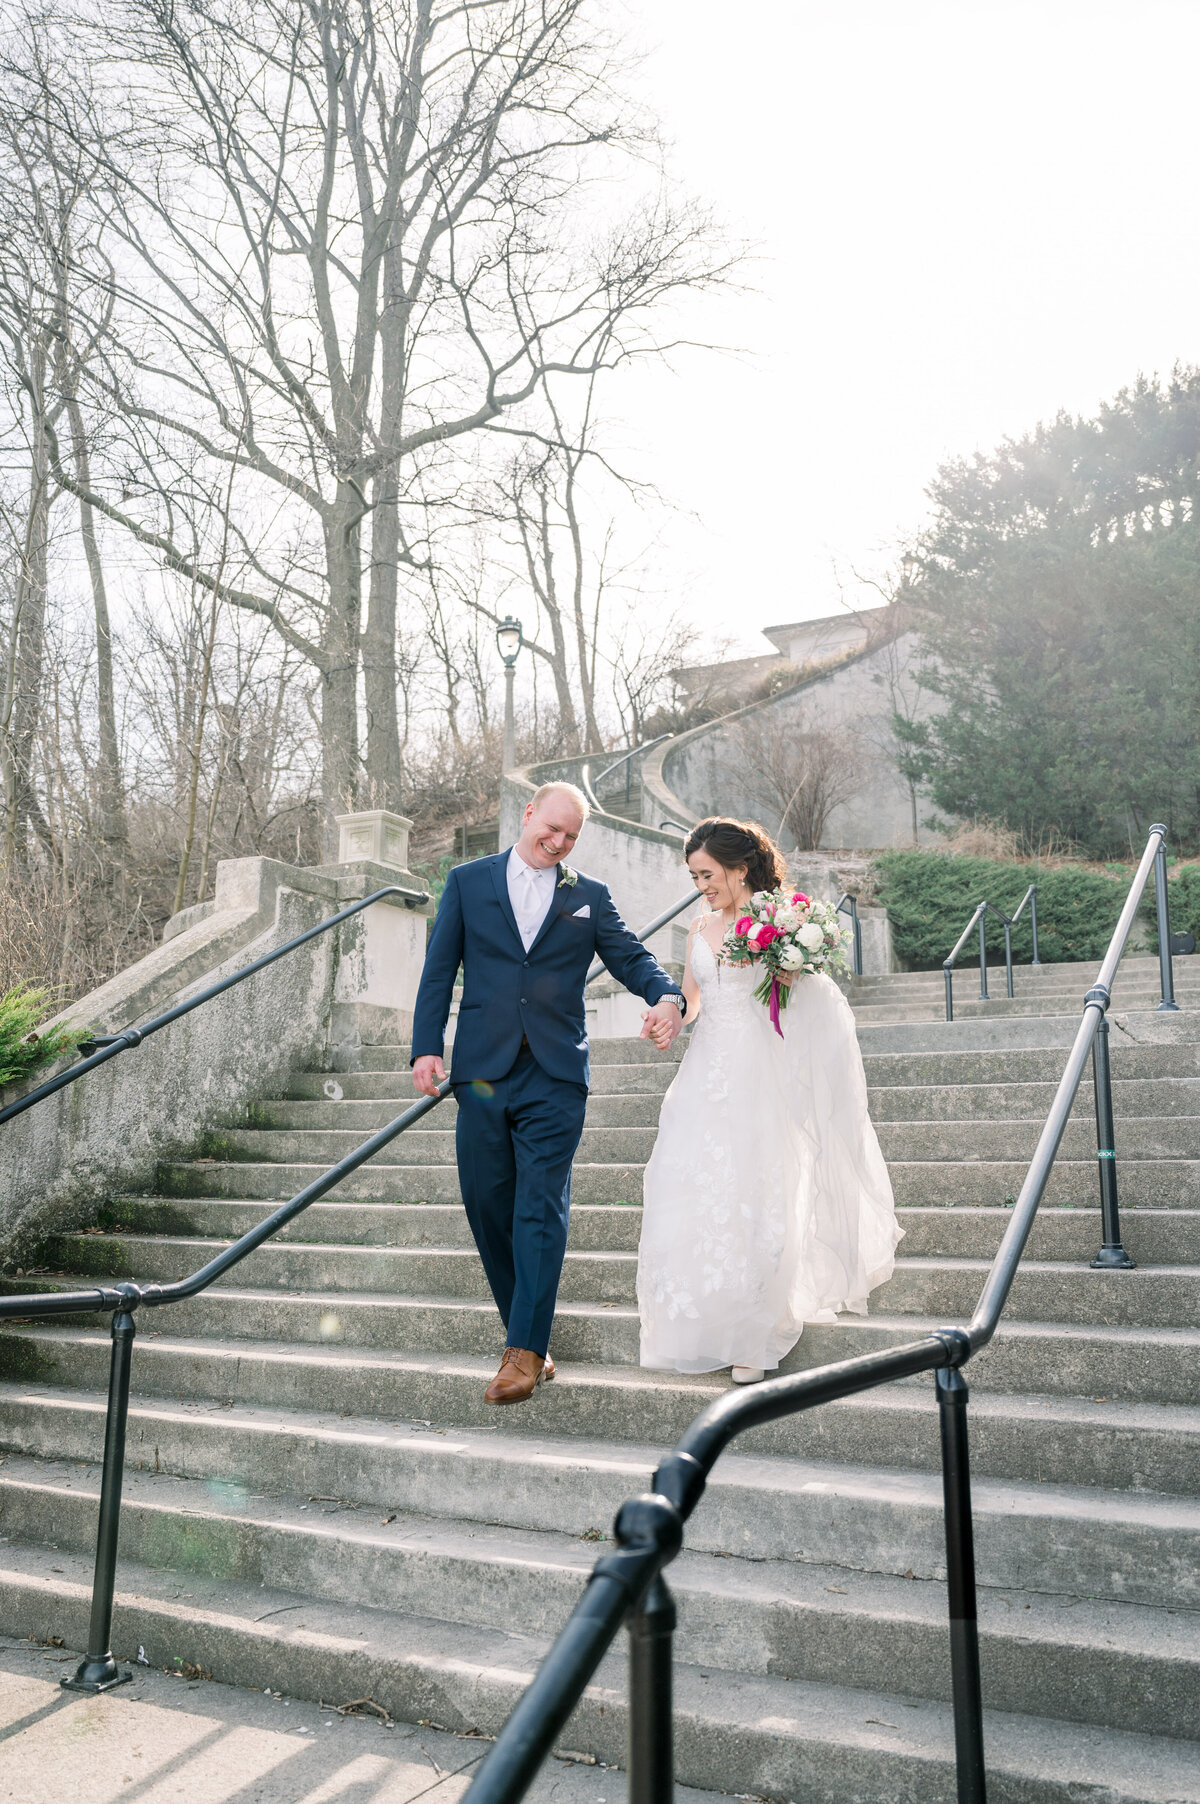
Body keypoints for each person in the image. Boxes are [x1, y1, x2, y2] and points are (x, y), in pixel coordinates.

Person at [411, 781, 686, 1406]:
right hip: (482, 1070)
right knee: (486, 1203)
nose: (557, 843)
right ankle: (526, 1327)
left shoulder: (589, 896)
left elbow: (630, 955)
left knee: (540, 1204)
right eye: (551, 829)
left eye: (570, 837)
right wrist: (426, 1045)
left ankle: (525, 1351)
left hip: (556, 1075)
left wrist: (665, 996)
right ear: (527, 813)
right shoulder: (467, 881)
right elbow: (438, 968)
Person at [637, 817, 901, 1383]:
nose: (700, 885)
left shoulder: (786, 920)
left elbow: (809, 1000)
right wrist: (670, 1018)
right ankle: (708, 1320)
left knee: (761, 1190)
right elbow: (693, 998)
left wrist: (790, 969)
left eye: (707, 874)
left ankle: (753, 1332)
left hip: (765, 1071)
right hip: (707, 1070)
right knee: (697, 1185)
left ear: (739, 868)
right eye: (693, 876)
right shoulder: (699, 926)